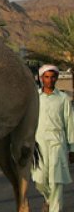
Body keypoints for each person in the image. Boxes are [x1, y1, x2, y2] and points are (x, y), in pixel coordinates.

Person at [32, 64, 74, 212]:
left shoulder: (63, 99)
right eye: (47, 77)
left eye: (53, 77)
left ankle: (55, 208)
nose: (50, 80)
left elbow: (70, 123)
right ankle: (48, 200)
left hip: (58, 143)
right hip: (39, 144)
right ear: (41, 78)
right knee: (40, 180)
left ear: (56, 78)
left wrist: (72, 148)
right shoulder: (34, 98)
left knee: (56, 181)